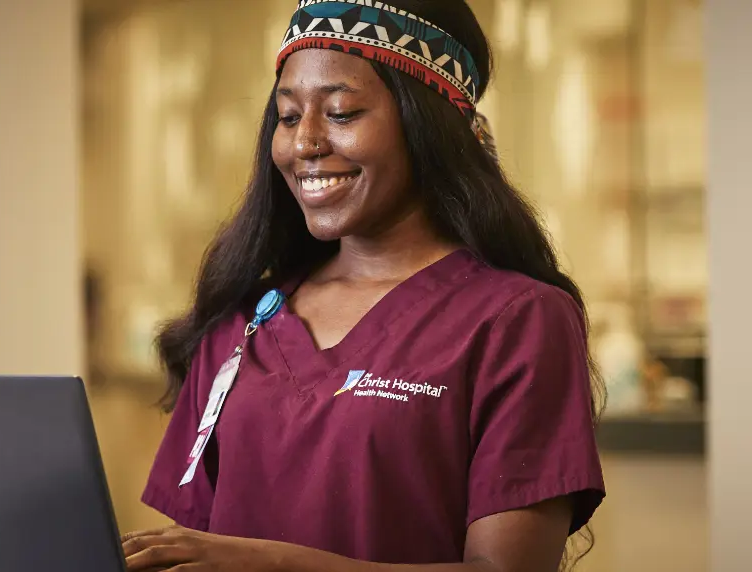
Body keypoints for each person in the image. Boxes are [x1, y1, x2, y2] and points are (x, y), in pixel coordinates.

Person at [121, 1, 605, 571]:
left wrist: (269, 565)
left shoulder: (517, 318)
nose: (305, 144)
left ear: (427, 126)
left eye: (343, 112)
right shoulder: (242, 319)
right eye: (287, 116)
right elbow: (196, 551)